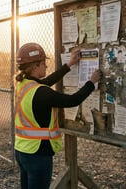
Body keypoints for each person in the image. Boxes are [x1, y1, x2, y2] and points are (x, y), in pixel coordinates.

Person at [14, 43, 101, 189]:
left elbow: (47, 82)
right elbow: (72, 101)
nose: (46, 67)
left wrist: (69, 65)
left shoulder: (24, 84)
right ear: (35, 66)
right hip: (38, 153)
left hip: (22, 150)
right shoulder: (41, 93)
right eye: (43, 63)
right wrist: (91, 82)